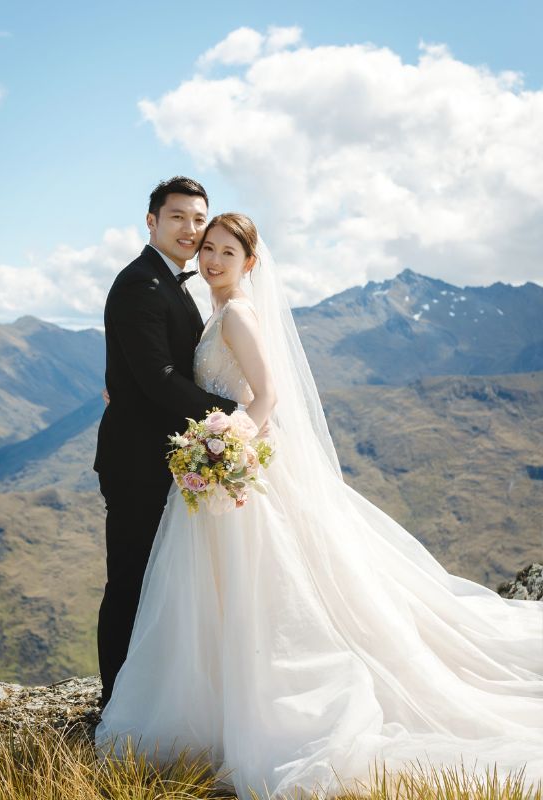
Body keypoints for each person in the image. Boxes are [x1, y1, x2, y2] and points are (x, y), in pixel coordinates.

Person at [95, 212, 543, 797]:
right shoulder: (215, 312)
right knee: (214, 591)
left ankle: (255, 703)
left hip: (235, 470)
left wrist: (226, 449)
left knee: (255, 587)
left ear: (249, 263)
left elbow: (268, 396)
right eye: (207, 250)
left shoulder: (237, 314)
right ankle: (216, 701)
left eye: (226, 253)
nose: (211, 261)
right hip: (220, 470)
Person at [93, 177, 237, 707]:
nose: (191, 229)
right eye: (178, 217)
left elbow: (147, 367)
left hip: (168, 458)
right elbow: (158, 379)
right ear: (151, 221)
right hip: (136, 464)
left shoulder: (172, 283)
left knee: (159, 584)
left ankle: (147, 695)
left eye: (199, 219)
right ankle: (115, 701)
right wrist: (234, 415)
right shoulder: (141, 283)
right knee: (130, 582)